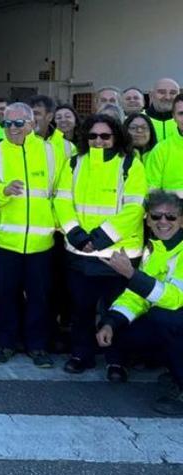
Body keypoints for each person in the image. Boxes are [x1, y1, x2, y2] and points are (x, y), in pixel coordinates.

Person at [54, 113, 147, 378]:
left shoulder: (130, 164)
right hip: (80, 253)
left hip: (118, 255)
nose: (99, 141)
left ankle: (116, 360)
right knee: (81, 310)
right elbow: (62, 201)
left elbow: (134, 208)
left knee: (114, 310)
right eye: (93, 136)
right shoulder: (73, 163)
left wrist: (100, 237)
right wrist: (76, 234)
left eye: (105, 136)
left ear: (116, 137)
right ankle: (81, 354)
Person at [0, 103, 62, 367]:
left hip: (41, 242)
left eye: (18, 124)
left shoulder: (52, 152)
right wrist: (2, 192)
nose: (12, 129)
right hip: (4, 240)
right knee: (4, 296)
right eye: (7, 124)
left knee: (39, 297)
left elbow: (61, 193)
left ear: (32, 124)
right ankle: (4, 343)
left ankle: (37, 346)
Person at [97, 191, 183, 414]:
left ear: (182, 220)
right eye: (156, 216)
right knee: (121, 326)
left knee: (163, 318)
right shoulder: (156, 249)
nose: (163, 222)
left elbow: (174, 300)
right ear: (148, 220)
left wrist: (132, 275)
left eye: (171, 217)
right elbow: (137, 296)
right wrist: (111, 322)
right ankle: (172, 369)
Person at [145, 94, 183, 196]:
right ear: (173, 117)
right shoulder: (161, 150)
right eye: (181, 113)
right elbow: (152, 191)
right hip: (173, 211)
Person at [29, 95, 74, 161]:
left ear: (49, 117)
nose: (31, 119)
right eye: (29, 114)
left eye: (36, 114)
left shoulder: (67, 147)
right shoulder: (17, 141)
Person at [147, 78, 180, 142]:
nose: (167, 97)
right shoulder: (138, 119)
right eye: (162, 92)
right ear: (151, 95)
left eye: (173, 93)